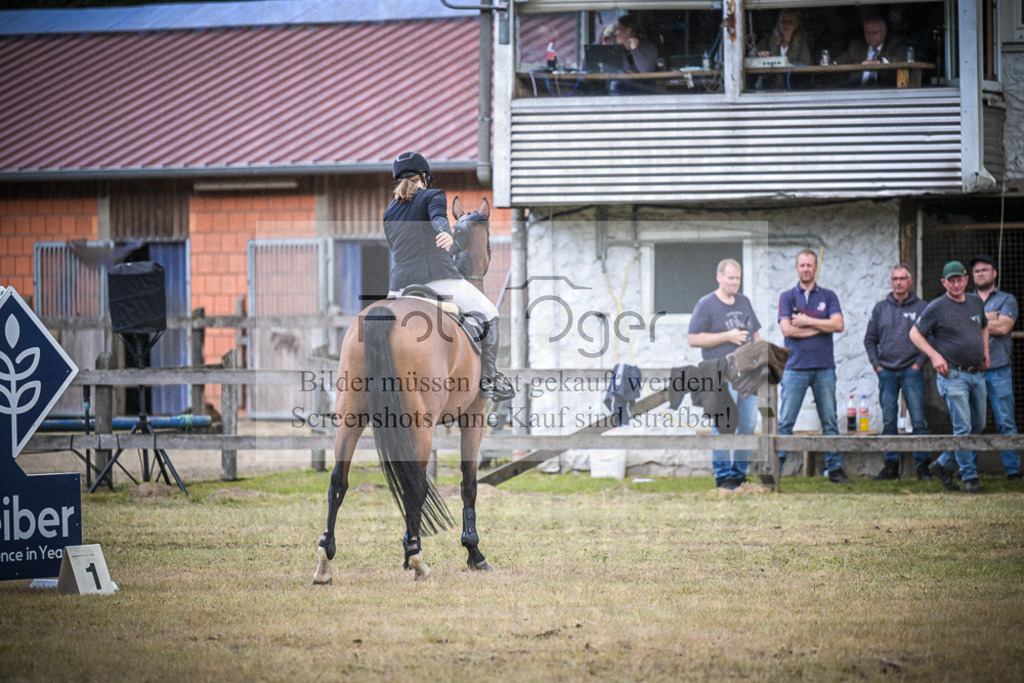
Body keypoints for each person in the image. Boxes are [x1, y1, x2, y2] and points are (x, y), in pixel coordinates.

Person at [383, 151, 513, 401]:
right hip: (437, 278)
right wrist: (447, 234)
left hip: (399, 286)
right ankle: (489, 378)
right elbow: (439, 220)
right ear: (424, 176)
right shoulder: (433, 195)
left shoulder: (389, 211)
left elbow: (396, 246)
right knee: (489, 314)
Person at [909, 261, 988, 494]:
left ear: (966, 280)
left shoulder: (975, 301)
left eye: (959, 279)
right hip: (952, 373)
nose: (956, 284)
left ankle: (943, 464)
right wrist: (934, 356)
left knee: (978, 424)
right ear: (944, 282)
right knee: (962, 426)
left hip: (976, 373)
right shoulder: (936, 307)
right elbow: (914, 333)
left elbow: (984, 325)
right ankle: (969, 477)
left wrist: (985, 351)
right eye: (950, 280)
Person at [687, 259, 762, 489]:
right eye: (730, 278)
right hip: (719, 375)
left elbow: (755, 334)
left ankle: (739, 474)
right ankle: (723, 476)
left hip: (747, 375)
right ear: (719, 277)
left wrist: (759, 358)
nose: (734, 282)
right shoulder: (706, 304)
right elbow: (693, 338)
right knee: (722, 424)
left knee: (748, 424)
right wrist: (727, 337)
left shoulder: (744, 301)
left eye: (737, 278)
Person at [777, 249, 849, 483]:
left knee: (829, 420)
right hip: (794, 367)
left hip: (824, 367)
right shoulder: (787, 297)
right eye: (802, 265)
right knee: (786, 421)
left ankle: (834, 469)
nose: (806, 269)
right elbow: (787, 330)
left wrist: (807, 321)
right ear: (796, 268)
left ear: (816, 267)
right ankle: (774, 469)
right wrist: (821, 326)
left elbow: (838, 325)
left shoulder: (828, 296)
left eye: (810, 265)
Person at [863, 264, 931, 481]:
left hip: (912, 371)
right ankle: (890, 466)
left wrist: (918, 364)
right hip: (887, 372)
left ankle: (923, 467)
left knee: (918, 420)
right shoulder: (881, 308)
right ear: (891, 282)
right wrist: (878, 366)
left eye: (902, 278)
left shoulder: (922, 307)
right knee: (889, 421)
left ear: (910, 281)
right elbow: (869, 340)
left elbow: (931, 337)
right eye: (895, 279)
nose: (899, 282)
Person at [970, 254, 1022, 481]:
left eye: (984, 270)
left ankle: (1013, 471)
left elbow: (1003, 327)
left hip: (999, 368)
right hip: (972, 371)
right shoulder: (964, 299)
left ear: (994, 273)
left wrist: (974, 321)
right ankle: (969, 473)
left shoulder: (1007, 299)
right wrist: (989, 318)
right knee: (971, 423)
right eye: (977, 271)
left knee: (1006, 420)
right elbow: (957, 326)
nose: (980, 273)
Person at [838, 16, 907, 87]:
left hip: (885, 91)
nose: (871, 36)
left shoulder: (895, 43)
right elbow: (840, 62)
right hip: (857, 90)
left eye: (875, 33)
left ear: (884, 31)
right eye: (868, 33)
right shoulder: (857, 45)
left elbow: (902, 59)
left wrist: (881, 62)